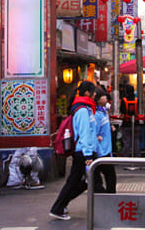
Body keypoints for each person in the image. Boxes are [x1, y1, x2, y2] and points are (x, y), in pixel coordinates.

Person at [50, 81, 97, 221]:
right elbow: (84, 133)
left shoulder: (84, 108)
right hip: (83, 152)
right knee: (82, 181)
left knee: (82, 181)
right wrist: (88, 154)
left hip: (84, 151)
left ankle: (60, 206)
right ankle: (58, 207)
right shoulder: (82, 110)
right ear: (87, 93)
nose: (95, 94)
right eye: (93, 91)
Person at [93, 87, 117, 193]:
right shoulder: (96, 114)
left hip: (106, 150)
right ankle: (106, 198)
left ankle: (107, 198)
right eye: (102, 95)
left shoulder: (104, 112)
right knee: (109, 177)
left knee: (110, 177)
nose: (105, 97)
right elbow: (94, 131)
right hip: (101, 151)